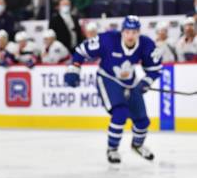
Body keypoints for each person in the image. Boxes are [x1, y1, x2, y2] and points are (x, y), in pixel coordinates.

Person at [64, 15, 162, 164]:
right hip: (108, 79)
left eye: (134, 32)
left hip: (130, 82)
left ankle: (137, 145)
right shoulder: (108, 40)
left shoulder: (146, 44)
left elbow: (154, 69)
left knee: (142, 121)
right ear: (122, 31)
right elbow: (81, 51)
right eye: (127, 31)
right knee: (120, 113)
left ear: (139, 32)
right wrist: (74, 69)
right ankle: (112, 149)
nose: (130, 35)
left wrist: (145, 82)